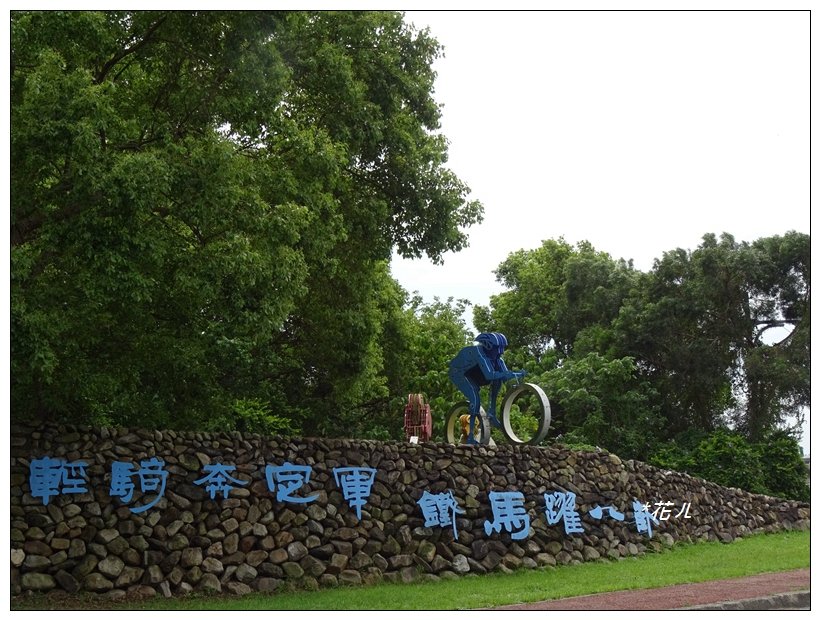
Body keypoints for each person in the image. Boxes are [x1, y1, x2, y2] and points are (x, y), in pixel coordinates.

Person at [448, 332, 524, 444]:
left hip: (474, 373)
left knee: (498, 379)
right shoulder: (478, 353)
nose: (501, 352)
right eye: (497, 348)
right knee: (475, 398)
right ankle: (470, 437)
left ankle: (491, 413)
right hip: (459, 373)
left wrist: (517, 374)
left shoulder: (497, 359)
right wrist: (507, 374)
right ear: (488, 346)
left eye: (502, 348)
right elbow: (489, 375)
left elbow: (504, 376)